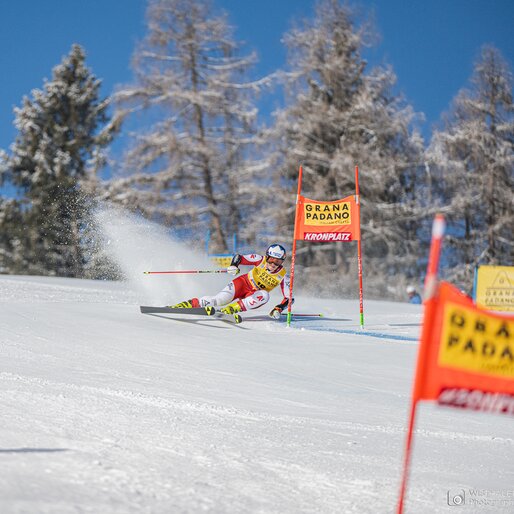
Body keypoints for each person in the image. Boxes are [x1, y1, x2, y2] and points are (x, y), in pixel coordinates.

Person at [172, 244, 294, 318]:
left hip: (254, 295)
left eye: (277, 262)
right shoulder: (259, 260)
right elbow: (239, 257)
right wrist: (234, 266)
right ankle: (188, 305)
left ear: (282, 261)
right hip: (243, 283)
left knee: (265, 295)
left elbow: (289, 298)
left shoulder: (283, 276)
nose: (273, 264)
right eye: (271, 260)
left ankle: (232, 309)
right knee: (219, 300)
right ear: (267, 257)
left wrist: (278, 308)